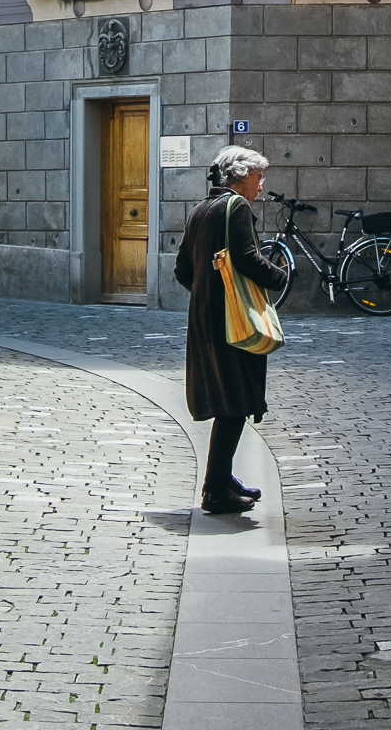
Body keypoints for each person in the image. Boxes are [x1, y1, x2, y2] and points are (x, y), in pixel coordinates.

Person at [174, 146, 290, 515]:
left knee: (227, 398)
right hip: (232, 319)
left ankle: (220, 480)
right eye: (258, 176)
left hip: (206, 316)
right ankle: (215, 490)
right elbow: (245, 257)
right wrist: (280, 275)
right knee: (235, 400)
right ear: (240, 176)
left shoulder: (200, 209)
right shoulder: (235, 207)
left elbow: (182, 268)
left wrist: (207, 293)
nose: (261, 183)